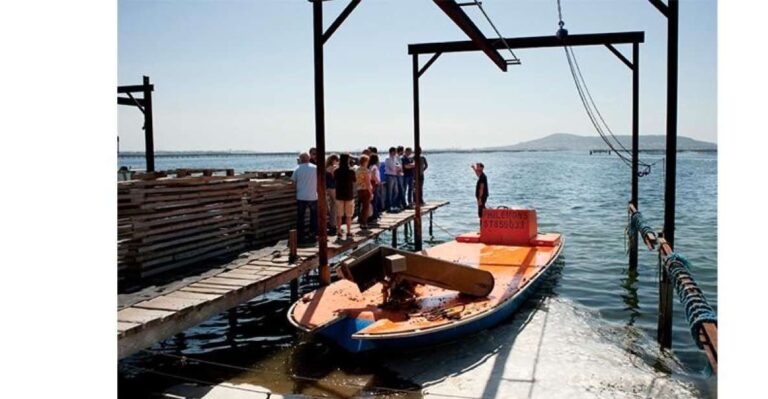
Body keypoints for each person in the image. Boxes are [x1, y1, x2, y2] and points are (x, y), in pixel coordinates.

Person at [291, 152, 318, 244]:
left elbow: (293, 183)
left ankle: (301, 236)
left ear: (300, 159)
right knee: (313, 216)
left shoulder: (297, 169)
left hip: (301, 196)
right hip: (313, 196)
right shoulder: (315, 168)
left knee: (300, 217)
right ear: (309, 158)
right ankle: (313, 234)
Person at [333, 153, 356, 239]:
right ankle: (349, 231)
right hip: (349, 195)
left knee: (339, 215)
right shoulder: (351, 171)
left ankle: (339, 231)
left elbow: (334, 178)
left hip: (339, 194)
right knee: (349, 215)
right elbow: (354, 180)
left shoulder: (336, 171)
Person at [355, 155, 372, 230]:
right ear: (365, 161)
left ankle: (360, 221)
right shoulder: (366, 170)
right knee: (365, 207)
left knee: (360, 206)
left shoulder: (357, 170)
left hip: (359, 189)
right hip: (365, 189)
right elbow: (368, 183)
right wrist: (371, 192)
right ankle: (364, 223)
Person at [325, 154, 339, 235]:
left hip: (327, 188)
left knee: (331, 207)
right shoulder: (333, 167)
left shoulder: (326, 168)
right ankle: (333, 225)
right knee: (334, 206)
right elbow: (335, 177)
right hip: (333, 188)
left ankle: (331, 224)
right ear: (333, 160)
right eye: (337, 160)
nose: (337, 161)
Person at [384, 147, 401, 212]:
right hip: (389, 176)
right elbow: (392, 168)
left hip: (395, 176)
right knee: (390, 192)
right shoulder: (388, 159)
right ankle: (389, 207)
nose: (395, 153)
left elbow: (399, 166)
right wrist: (397, 167)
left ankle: (394, 205)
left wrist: (398, 167)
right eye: (394, 151)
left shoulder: (395, 159)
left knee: (396, 191)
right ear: (391, 152)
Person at [368, 153, 382, 221]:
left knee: (373, 200)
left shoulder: (370, 166)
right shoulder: (374, 167)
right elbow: (373, 175)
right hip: (374, 184)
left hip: (372, 184)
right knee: (375, 200)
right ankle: (374, 215)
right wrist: (378, 182)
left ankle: (374, 215)